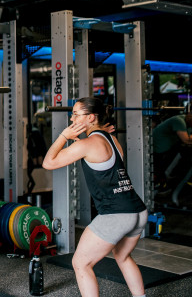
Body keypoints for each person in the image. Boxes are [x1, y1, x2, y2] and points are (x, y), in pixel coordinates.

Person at [42, 97, 147, 297]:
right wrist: (80, 139)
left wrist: (64, 136)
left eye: (75, 114)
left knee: (81, 263)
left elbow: (49, 162)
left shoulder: (89, 144)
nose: (71, 118)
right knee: (122, 256)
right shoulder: (111, 139)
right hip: (137, 210)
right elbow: (96, 153)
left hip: (116, 215)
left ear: (90, 117)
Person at [151, 105, 192, 192]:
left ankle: (177, 182)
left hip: (167, 150)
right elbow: (186, 140)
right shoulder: (178, 121)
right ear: (189, 114)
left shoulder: (188, 125)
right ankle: (163, 185)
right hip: (158, 150)